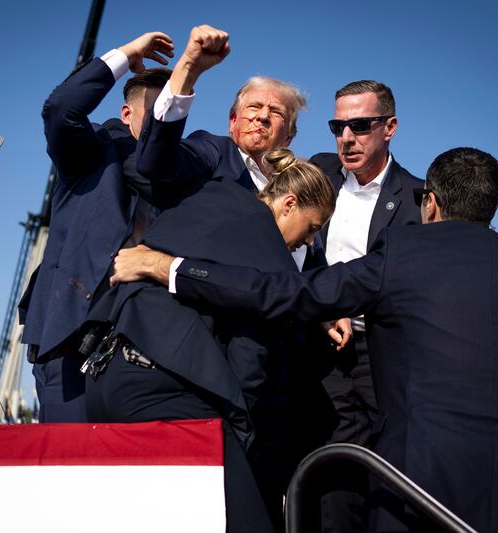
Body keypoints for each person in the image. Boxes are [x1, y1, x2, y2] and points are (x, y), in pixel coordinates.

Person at [111, 147, 498, 532]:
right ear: (490, 208)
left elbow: (283, 294)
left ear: (430, 203)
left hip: (428, 497)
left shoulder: (401, 257)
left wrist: (169, 266)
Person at [82, 148, 335, 532]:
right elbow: (250, 363)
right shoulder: (270, 255)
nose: (310, 243)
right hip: (165, 395)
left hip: (107, 378)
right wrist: (244, 445)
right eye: (313, 227)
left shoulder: (212, 195)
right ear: (289, 203)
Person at [17, 32, 174, 423]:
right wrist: (125, 55)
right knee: (72, 467)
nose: (163, 122)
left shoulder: (183, 173)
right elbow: (60, 110)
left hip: (147, 352)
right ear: (127, 115)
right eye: (155, 111)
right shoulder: (91, 153)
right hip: (72, 347)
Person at [306, 80, 423, 532]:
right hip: (321, 353)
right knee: (332, 481)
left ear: (389, 127)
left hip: (387, 356)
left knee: (392, 476)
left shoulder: (418, 199)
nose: (346, 138)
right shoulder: (316, 174)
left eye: (360, 125)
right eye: (338, 126)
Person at [134, 25, 309, 267]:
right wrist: (188, 71)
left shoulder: (300, 190)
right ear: (232, 121)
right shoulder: (213, 152)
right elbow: (155, 163)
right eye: (254, 107)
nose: (263, 117)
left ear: (289, 137)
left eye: (276, 112)